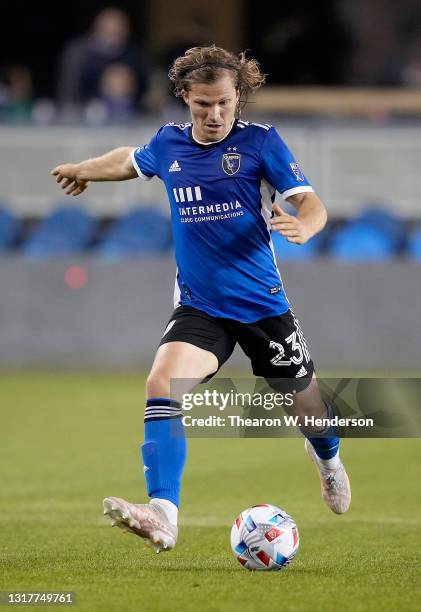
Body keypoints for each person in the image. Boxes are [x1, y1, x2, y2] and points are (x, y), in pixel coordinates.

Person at [51, 45, 351, 553]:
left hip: (263, 306)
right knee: (161, 382)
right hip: (201, 307)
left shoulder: (261, 143)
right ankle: (164, 515)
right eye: (202, 105)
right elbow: (128, 161)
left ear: (240, 98)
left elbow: (310, 202)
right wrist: (84, 167)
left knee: (312, 413)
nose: (213, 116)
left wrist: (305, 225)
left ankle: (327, 458)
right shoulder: (169, 145)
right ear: (185, 98)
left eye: (224, 104)